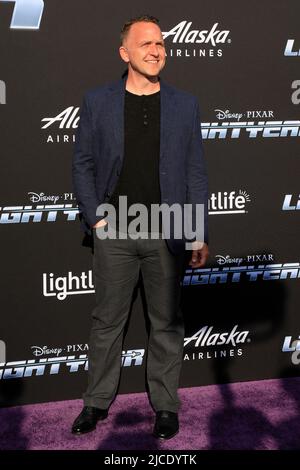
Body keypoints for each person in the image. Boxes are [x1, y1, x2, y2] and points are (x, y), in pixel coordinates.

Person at [71, 15, 209, 440]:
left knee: (166, 322)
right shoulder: (98, 101)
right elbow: (84, 166)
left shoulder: (185, 104)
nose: (156, 50)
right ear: (124, 52)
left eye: (161, 44)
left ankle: (166, 406)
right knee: (107, 321)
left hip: (167, 228)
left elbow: (195, 172)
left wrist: (197, 230)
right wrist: (96, 217)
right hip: (115, 228)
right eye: (146, 43)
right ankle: (95, 403)